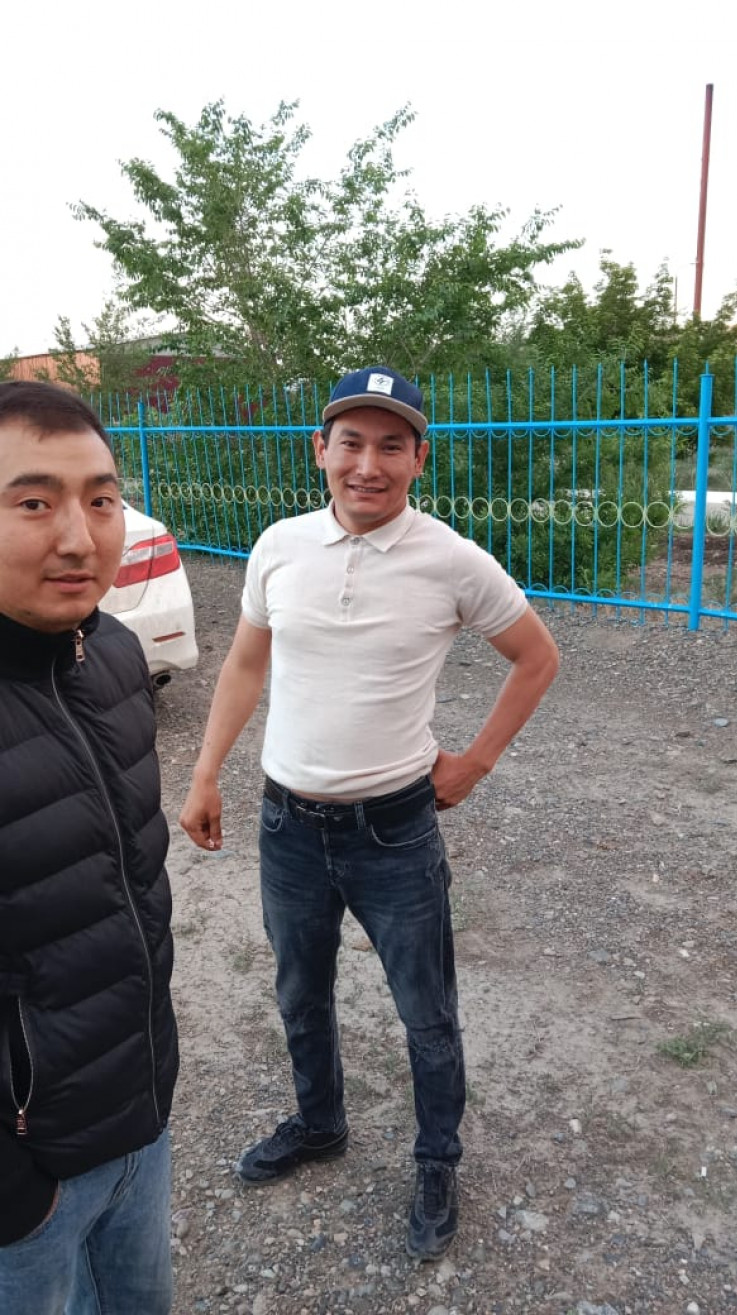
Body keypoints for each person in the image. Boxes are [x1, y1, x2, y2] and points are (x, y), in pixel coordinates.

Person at [180, 365, 559, 1260]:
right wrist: (205, 771)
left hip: (395, 831)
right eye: (350, 442)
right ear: (321, 450)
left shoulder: (451, 560)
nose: (368, 464)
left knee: (426, 1012)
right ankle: (320, 1123)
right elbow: (245, 664)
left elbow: (537, 656)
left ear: (420, 459)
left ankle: (437, 1161)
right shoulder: (279, 546)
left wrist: (475, 762)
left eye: (392, 445)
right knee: (299, 992)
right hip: (287, 826)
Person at [0, 382, 178, 1314]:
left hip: (138, 1117)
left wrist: (154, 1079)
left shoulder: (109, 653)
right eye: (34, 502)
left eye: (101, 499)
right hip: (28, 1186)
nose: (79, 536)